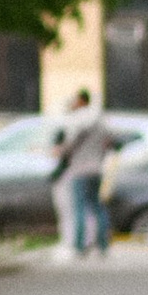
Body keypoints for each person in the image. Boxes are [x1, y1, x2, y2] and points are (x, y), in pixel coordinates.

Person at [54, 89, 114, 259]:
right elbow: (109, 142)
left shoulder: (79, 119)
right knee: (98, 206)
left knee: (79, 207)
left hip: (80, 169)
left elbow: (70, 143)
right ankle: (103, 245)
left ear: (81, 101)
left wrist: (60, 151)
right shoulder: (100, 119)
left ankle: (79, 246)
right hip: (97, 169)